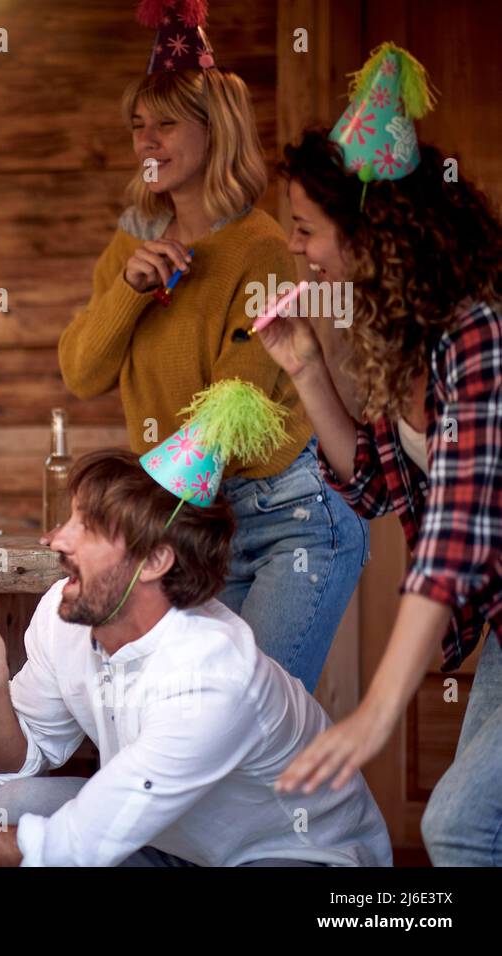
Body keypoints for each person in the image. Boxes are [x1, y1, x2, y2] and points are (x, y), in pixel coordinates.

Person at [0, 449, 392, 867]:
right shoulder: (64, 615)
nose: (54, 540)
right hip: (175, 845)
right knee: (12, 810)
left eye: (86, 528)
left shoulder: (210, 679)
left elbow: (69, 847)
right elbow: (16, 769)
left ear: (154, 562)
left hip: (294, 854)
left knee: (47, 839)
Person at [58, 10, 366, 692]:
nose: (147, 140)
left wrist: (121, 528)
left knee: (247, 724)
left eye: (165, 124)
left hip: (286, 521)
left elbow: (227, 415)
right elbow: (81, 371)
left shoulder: (260, 247)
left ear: (213, 129)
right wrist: (130, 291)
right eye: (138, 124)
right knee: (199, 719)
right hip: (201, 524)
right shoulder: (130, 245)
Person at [261, 44, 502, 866]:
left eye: (304, 229)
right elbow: (369, 483)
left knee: (462, 826)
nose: (296, 250)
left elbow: (458, 535)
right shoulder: (415, 338)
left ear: (373, 231)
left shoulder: (482, 332)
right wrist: (304, 367)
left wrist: (375, 712)